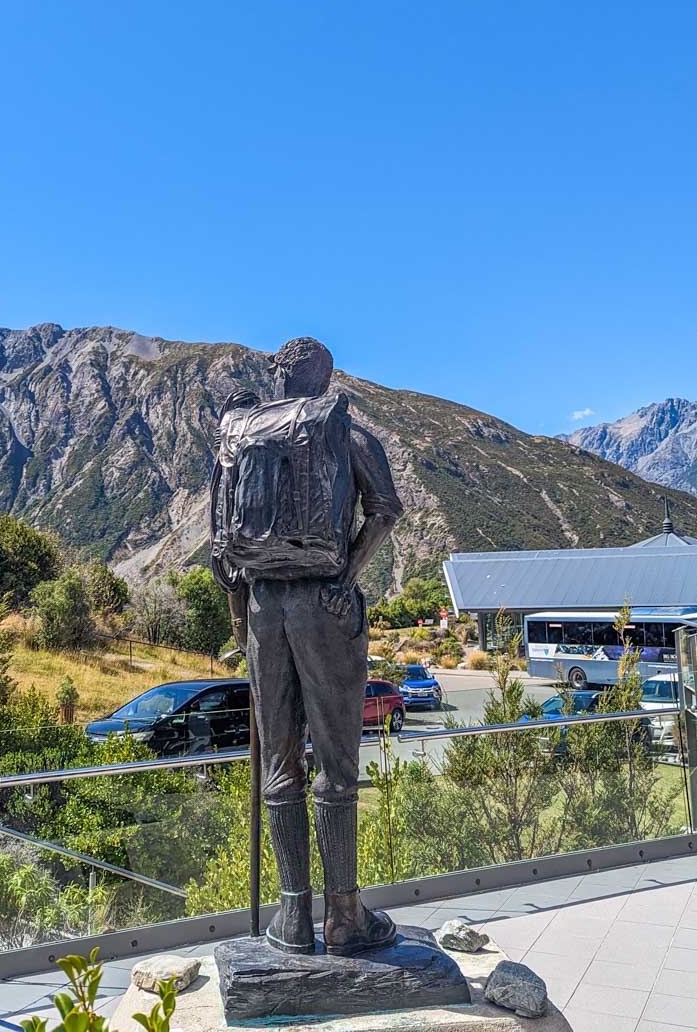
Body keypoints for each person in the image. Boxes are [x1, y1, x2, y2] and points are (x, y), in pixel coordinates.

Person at [211, 337, 403, 957]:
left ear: (278, 374)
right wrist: (346, 576)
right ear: (325, 377)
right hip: (324, 601)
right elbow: (385, 511)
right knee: (336, 761)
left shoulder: (241, 433)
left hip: (263, 604)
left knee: (278, 760)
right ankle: (344, 915)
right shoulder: (343, 430)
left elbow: (223, 548)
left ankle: (292, 915)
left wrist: (241, 623)